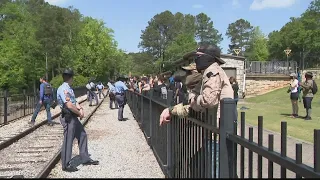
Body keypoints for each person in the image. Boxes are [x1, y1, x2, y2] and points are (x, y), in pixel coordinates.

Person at [57, 68, 99, 172]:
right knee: (68, 140)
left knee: (82, 134)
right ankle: (66, 165)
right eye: (72, 77)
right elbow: (69, 105)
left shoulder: (69, 88)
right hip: (68, 117)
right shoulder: (63, 89)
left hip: (73, 116)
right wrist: (79, 112)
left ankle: (85, 158)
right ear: (70, 77)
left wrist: (80, 108)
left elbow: (74, 102)